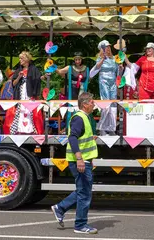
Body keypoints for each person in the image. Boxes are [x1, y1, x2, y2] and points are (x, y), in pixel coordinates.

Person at [51, 92, 98, 234]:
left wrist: (91, 138)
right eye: (91, 102)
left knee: (83, 190)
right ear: (84, 104)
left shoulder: (84, 117)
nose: (93, 104)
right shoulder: (79, 118)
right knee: (85, 193)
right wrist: (79, 159)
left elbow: (80, 137)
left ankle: (60, 208)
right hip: (80, 161)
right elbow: (72, 138)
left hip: (84, 160)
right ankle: (80, 225)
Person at [3, 51, 43, 134]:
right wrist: (19, 77)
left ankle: (31, 130)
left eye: (21, 58)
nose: (20, 60)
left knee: (29, 111)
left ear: (27, 59)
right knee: (20, 110)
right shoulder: (18, 70)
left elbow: (39, 79)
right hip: (20, 94)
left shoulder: (34, 69)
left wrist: (45, 76)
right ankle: (19, 130)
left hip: (30, 94)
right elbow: (13, 84)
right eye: (19, 58)